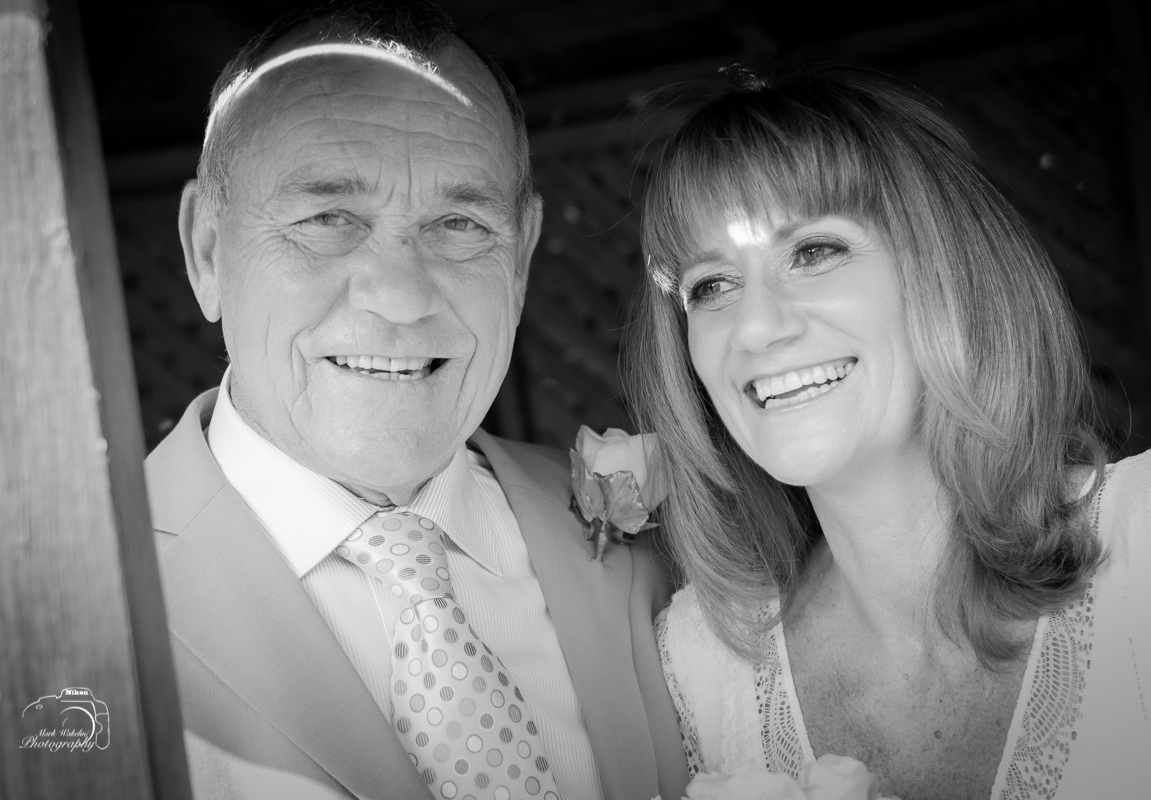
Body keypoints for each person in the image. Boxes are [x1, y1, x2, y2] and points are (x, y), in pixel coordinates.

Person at [145, 3, 688, 799]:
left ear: (521, 260)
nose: (400, 296)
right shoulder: (65, 604)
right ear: (206, 251)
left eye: (459, 224)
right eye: (328, 217)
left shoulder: (668, 545)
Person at [628, 64, 1150, 800]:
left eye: (813, 252)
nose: (755, 327)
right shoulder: (699, 668)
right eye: (711, 286)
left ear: (949, 271)